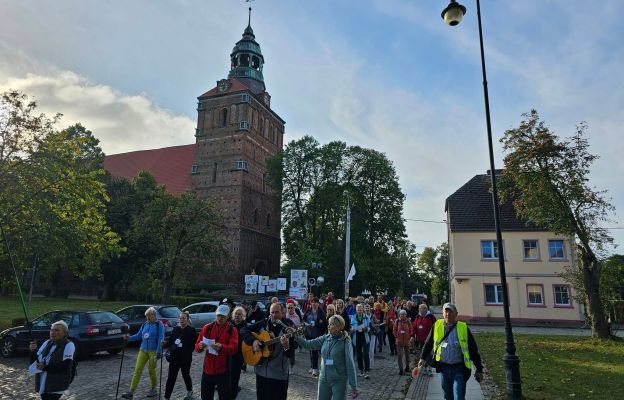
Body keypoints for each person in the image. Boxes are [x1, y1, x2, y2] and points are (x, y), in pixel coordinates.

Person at [418, 303, 484, 400]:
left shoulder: (463, 328)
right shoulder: (437, 325)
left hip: (460, 368)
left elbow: (473, 349)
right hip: (444, 368)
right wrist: (422, 358)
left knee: (459, 396)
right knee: (448, 396)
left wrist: (479, 368)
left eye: (450, 311)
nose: (448, 314)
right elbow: (428, 343)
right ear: (442, 313)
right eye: (446, 311)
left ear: (456, 314)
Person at [240, 303, 297, 400]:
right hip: (262, 372)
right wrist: (253, 341)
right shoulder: (263, 323)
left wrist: (286, 346)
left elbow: (290, 353)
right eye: (272, 312)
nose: (274, 315)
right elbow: (243, 330)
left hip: (279, 374)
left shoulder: (289, 326)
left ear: (283, 312)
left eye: (277, 312)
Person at [295, 315, 358, 400]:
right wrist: (296, 336)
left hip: (339, 381)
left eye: (331, 324)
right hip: (323, 379)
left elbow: (350, 364)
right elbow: (308, 344)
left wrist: (353, 386)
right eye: (328, 324)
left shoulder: (345, 342)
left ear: (338, 327)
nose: (328, 326)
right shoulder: (325, 338)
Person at [194, 304, 238, 400]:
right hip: (207, 371)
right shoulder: (207, 328)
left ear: (228, 316)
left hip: (223, 372)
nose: (220, 318)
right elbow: (197, 346)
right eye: (218, 315)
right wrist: (200, 346)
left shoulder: (232, 330)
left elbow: (234, 348)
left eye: (223, 316)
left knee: (225, 397)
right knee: (205, 397)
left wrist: (222, 347)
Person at [122, 307, 165, 399]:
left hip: (153, 351)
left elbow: (160, 339)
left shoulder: (159, 325)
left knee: (151, 370)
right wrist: (128, 338)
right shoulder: (145, 324)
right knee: (137, 370)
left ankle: (154, 388)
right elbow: (138, 336)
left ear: (154, 315)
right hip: (143, 350)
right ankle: (131, 391)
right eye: (147, 316)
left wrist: (159, 352)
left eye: (149, 316)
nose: (148, 318)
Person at [29, 320, 75, 400]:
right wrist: (33, 351)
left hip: (57, 384)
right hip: (44, 383)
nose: (53, 332)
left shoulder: (68, 345)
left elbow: (66, 366)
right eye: (52, 330)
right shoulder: (47, 343)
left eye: (57, 330)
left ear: (65, 333)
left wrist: (45, 367)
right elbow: (35, 361)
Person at [163, 311, 197, 400]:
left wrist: (187, 351)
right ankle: (167, 396)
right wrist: (165, 344)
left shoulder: (191, 330)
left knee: (186, 375)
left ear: (187, 320)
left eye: (184, 318)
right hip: (174, 358)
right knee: (171, 378)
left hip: (185, 359)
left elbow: (194, 344)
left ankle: (189, 391)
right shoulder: (175, 329)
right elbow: (171, 342)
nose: (182, 320)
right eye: (180, 318)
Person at [303, 297, 327, 377]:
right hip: (309, 334)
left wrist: (317, 324)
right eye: (312, 302)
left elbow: (324, 323)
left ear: (318, 304)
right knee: (312, 351)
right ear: (311, 303)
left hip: (318, 335)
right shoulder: (308, 311)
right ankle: (313, 367)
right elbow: (304, 320)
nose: (314, 304)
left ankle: (319, 368)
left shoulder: (321, 312)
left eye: (316, 302)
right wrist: (306, 324)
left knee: (319, 352)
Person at [413, 303, 437, 377]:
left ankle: (429, 369)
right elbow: (414, 327)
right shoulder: (418, 317)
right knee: (423, 354)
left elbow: (436, 326)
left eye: (423, 309)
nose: (421, 310)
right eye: (420, 309)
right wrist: (412, 336)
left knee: (429, 354)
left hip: (430, 340)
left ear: (426, 309)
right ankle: (425, 368)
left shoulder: (431, 317)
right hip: (421, 339)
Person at [230, 306, 247, 399]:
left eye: (239, 314)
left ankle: (233, 394)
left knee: (235, 378)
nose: (237, 315)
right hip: (227, 355)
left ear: (243, 316)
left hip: (238, 356)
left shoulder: (246, 327)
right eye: (236, 314)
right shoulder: (229, 325)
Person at [349, 303, 371, 380]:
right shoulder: (353, 317)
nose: (359, 311)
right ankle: (361, 370)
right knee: (358, 355)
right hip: (356, 337)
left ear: (363, 310)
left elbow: (369, 328)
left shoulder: (366, 317)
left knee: (365, 354)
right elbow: (351, 328)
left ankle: (367, 371)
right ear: (356, 310)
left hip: (365, 337)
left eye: (361, 309)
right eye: (358, 309)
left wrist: (366, 329)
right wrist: (353, 329)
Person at [393, 310, 413, 375]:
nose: (402, 315)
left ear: (405, 315)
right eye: (401, 314)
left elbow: (411, 330)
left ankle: (407, 367)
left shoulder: (408, 321)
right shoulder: (397, 321)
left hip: (407, 341)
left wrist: (410, 337)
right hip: (399, 341)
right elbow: (394, 330)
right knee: (400, 355)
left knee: (407, 355)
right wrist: (397, 336)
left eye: (403, 314)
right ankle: (401, 369)